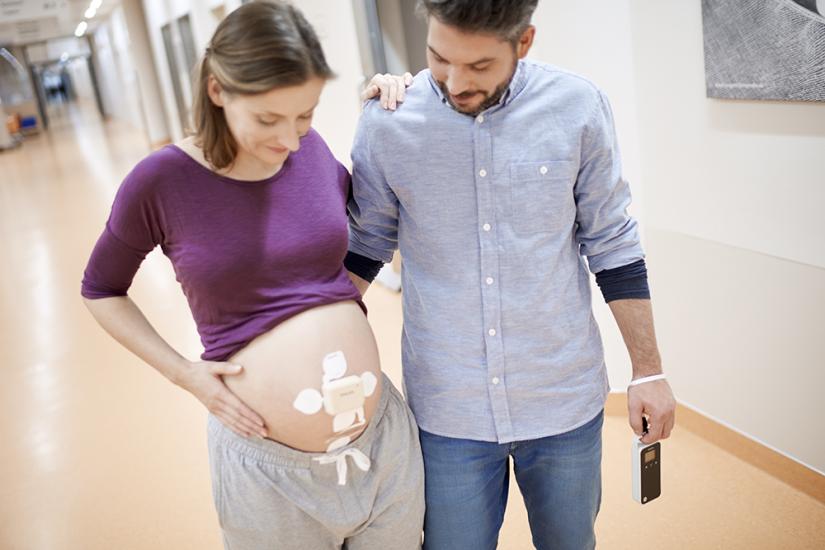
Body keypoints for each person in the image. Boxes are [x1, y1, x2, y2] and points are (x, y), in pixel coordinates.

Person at [81, 2, 422, 549]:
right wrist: (182, 373)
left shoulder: (310, 150)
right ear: (218, 91)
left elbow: (369, 221)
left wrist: (394, 111)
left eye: (305, 113)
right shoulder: (160, 182)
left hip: (379, 441)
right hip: (267, 467)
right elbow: (101, 291)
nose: (290, 139)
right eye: (268, 119)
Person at [345, 1, 677, 549]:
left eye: (478, 66)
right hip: (448, 408)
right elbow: (366, 245)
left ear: (523, 43)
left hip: (562, 396)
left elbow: (612, 241)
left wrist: (647, 371)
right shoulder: (389, 121)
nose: (453, 81)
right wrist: (300, 348)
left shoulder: (576, 107)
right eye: (438, 57)